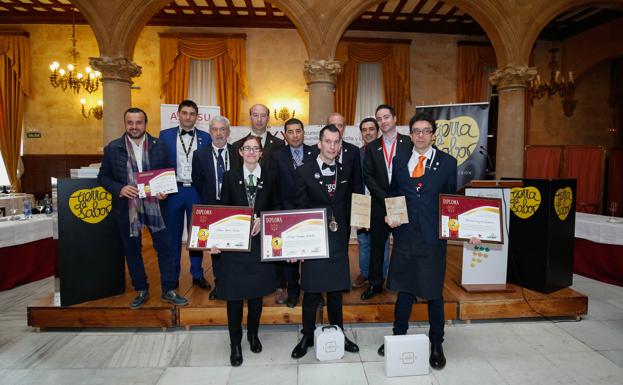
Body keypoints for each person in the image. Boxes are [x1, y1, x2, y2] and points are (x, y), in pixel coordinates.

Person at [377, 112, 460, 370]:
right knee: (404, 288)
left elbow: (451, 202)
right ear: (410, 134)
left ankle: (436, 343)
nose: (421, 135)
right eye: (416, 131)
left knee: (433, 292)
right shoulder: (401, 161)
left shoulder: (447, 163)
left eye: (426, 131)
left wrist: (465, 229)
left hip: (432, 238)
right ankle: (398, 335)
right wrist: (390, 216)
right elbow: (393, 194)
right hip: (405, 236)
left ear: (433, 134)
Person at [98, 107, 188, 309]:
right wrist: (120, 188)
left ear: (145, 124)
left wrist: (165, 190)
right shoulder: (113, 148)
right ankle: (141, 289)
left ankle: (169, 290)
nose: (134, 126)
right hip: (127, 208)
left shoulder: (159, 145)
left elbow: (169, 172)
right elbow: (103, 177)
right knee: (132, 250)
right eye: (130, 122)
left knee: (165, 248)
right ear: (125, 124)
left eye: (138, 122)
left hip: (157, 207)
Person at [290, 124, 359, 359]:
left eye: (336, 142)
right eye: (327, 141)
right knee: (311, 292)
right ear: (319, 144)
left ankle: (339, 332)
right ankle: (307, 335)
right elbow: (298, 208)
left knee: (336, 292)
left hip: (338, 239)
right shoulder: (303, 171)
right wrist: (297, 244)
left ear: (340, 144)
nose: (332, 146)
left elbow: (349, 204)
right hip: (314, 240)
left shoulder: (345, 170)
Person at [211, 135, 280, 367]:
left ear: (261, 153)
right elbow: (222, 210)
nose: (251, 152)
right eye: (247, 148)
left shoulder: (270, 177)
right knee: (234, 296)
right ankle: (235, 343)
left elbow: (276, 207)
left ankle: (253, 334)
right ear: (240, 152)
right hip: (235, 247)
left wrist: (263, 219)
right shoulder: (230, 177)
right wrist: (216, 238)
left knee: (256, 294)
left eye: (255, 148)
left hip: (259, 243)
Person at [159, 100, 212, 290]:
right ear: (178, 114)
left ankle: (197, 274)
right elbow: (159, 163)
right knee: (172, 236)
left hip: (196, 191)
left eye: (192, 114)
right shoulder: (164, 136)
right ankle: (172, 277)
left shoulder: (206, 137)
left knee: (196, 236)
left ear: (197, 117)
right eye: (185, 113)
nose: (188, 117)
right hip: (173, 190)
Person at [361, 104, 412, 300]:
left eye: (386, 117)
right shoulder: (372, 147)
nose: (383, 122)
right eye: (379, 119)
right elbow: (368, 176)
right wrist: (385, 198)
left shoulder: (409, 143)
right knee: (376, 247)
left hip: (403, 203)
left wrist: (398, 198)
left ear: (395, 118)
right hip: (379, 204)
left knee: (404, 247)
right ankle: (375, 284)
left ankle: (403, 284)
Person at [270, 118, 317, 307]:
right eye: (291, 132)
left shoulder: (315, 153)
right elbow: (273, 186)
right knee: (289, 258)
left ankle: (314, 292)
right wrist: (279, 213)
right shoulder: (276, 156)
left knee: (311, 258)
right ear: (285, 134)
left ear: (303, 133)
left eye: (298, 131)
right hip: (286, 213)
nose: (295, 135)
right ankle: (293, 292)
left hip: (310, 214)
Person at [191, 115, 238, 299]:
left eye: (222, 129)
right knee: (216, 248)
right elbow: (198, 181)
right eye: (215, 130)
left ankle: (234, 283)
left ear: (228, 132)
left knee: (234, 247)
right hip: (212, 206)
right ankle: (219, 285)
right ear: (210, 132)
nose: (219, 133)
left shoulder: (237, 153)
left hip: (233, 207)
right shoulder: (199, 155)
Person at [353, 117, 390, 288]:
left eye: (371, 129)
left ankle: (383, 275)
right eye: (364, 130)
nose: (368, 132)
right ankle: (365, 273)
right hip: (362, 202)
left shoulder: (387, 151)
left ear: (378, 131)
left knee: (383, 241)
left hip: (382, 202)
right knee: (364, 241)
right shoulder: (357, 153)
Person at [233, 103, 284, 168]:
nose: (259, 119)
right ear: (250, 117)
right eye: (255, 115)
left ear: (268, 118)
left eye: (263, 116)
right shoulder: (238, 145)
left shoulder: (279, 144)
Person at [327, 112, 364, 194]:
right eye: (333, 125)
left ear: (344, 128)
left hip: (346, 203)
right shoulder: (317, 149)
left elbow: (357, 183)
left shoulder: (353, 150)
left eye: (340, 125)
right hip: (323, 202)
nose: (336, 128)